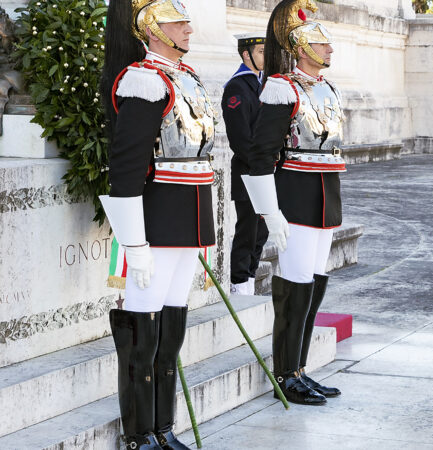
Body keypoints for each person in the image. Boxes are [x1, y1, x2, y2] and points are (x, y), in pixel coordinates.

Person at [99, 0, 215, 447]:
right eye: (177, 21)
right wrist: (134, 244)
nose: (188, 27)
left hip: (189, 221)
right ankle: (138, 435)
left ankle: (163, 429)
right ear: (152, 29)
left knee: (169, 336)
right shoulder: (145, 80)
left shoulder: (186, 78)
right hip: (156, 222)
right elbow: (126, 167)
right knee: (142, 335)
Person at [241, 0, 346, 405]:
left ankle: (300, 368)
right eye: (322, 45)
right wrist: (270, 211)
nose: (330, 51)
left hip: (325, 195)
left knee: (315, 283)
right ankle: (285, 373)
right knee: (296, 283)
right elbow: (260, 154)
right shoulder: (283, 88)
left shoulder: (327, 89)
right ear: (302, 48)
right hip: (296, 196)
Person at [223, 32, 268, 296]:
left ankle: (249, 278)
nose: (265, 56)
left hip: (264, 173)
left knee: (261, 233)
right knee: (248, 231)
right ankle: (239, 284)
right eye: (261, 51)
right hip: (249, 173)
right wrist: (261, 165)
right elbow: (240, 139)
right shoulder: (237, 87)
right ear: (246, 55)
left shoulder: (263, 84)